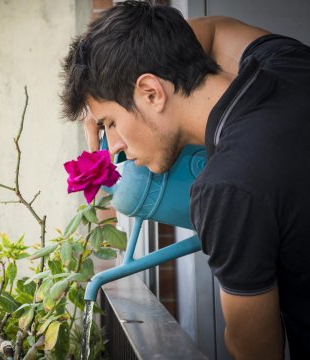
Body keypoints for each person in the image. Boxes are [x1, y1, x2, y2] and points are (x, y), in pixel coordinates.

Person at [59, 1, 310, 359]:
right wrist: (136, 51)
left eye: (110, 123)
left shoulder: (226, 188)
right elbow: (214, 29)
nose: (111, 147)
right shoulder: (286, 61)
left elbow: (254, 349)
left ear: (151, 92)